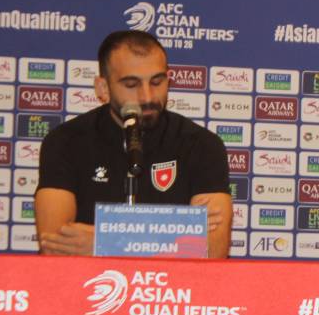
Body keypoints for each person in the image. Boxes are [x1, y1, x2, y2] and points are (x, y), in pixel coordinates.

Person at [35, 30, 233, 258]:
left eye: (157, 82)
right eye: (131, 84)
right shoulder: (66, 141)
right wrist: (178, 233)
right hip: (88, 281)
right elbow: (54, 244)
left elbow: (213, 250)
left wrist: (106, 242)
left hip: (174, 282)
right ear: (103, 88)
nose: (147, 96)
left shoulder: (201, 144)